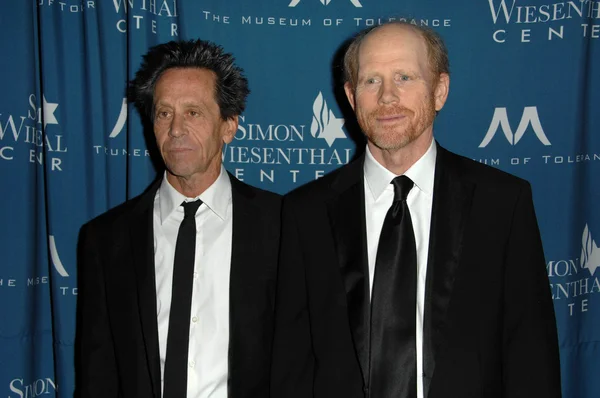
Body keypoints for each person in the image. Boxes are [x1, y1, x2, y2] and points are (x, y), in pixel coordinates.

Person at [271, 22, 561, 398]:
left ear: (440, 90)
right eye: (371, 81)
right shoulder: (304, 212)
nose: (387, 97)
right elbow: (292, 366)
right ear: (351, 96)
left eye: (404, 77)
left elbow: (531, 358)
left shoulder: (502, 204)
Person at [76, 39, 280, 398]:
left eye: (194, 112)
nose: (175, 130)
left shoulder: (282, 226)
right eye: (164, 113)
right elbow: (98, 374)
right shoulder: (105, 239)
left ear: (228, 125)